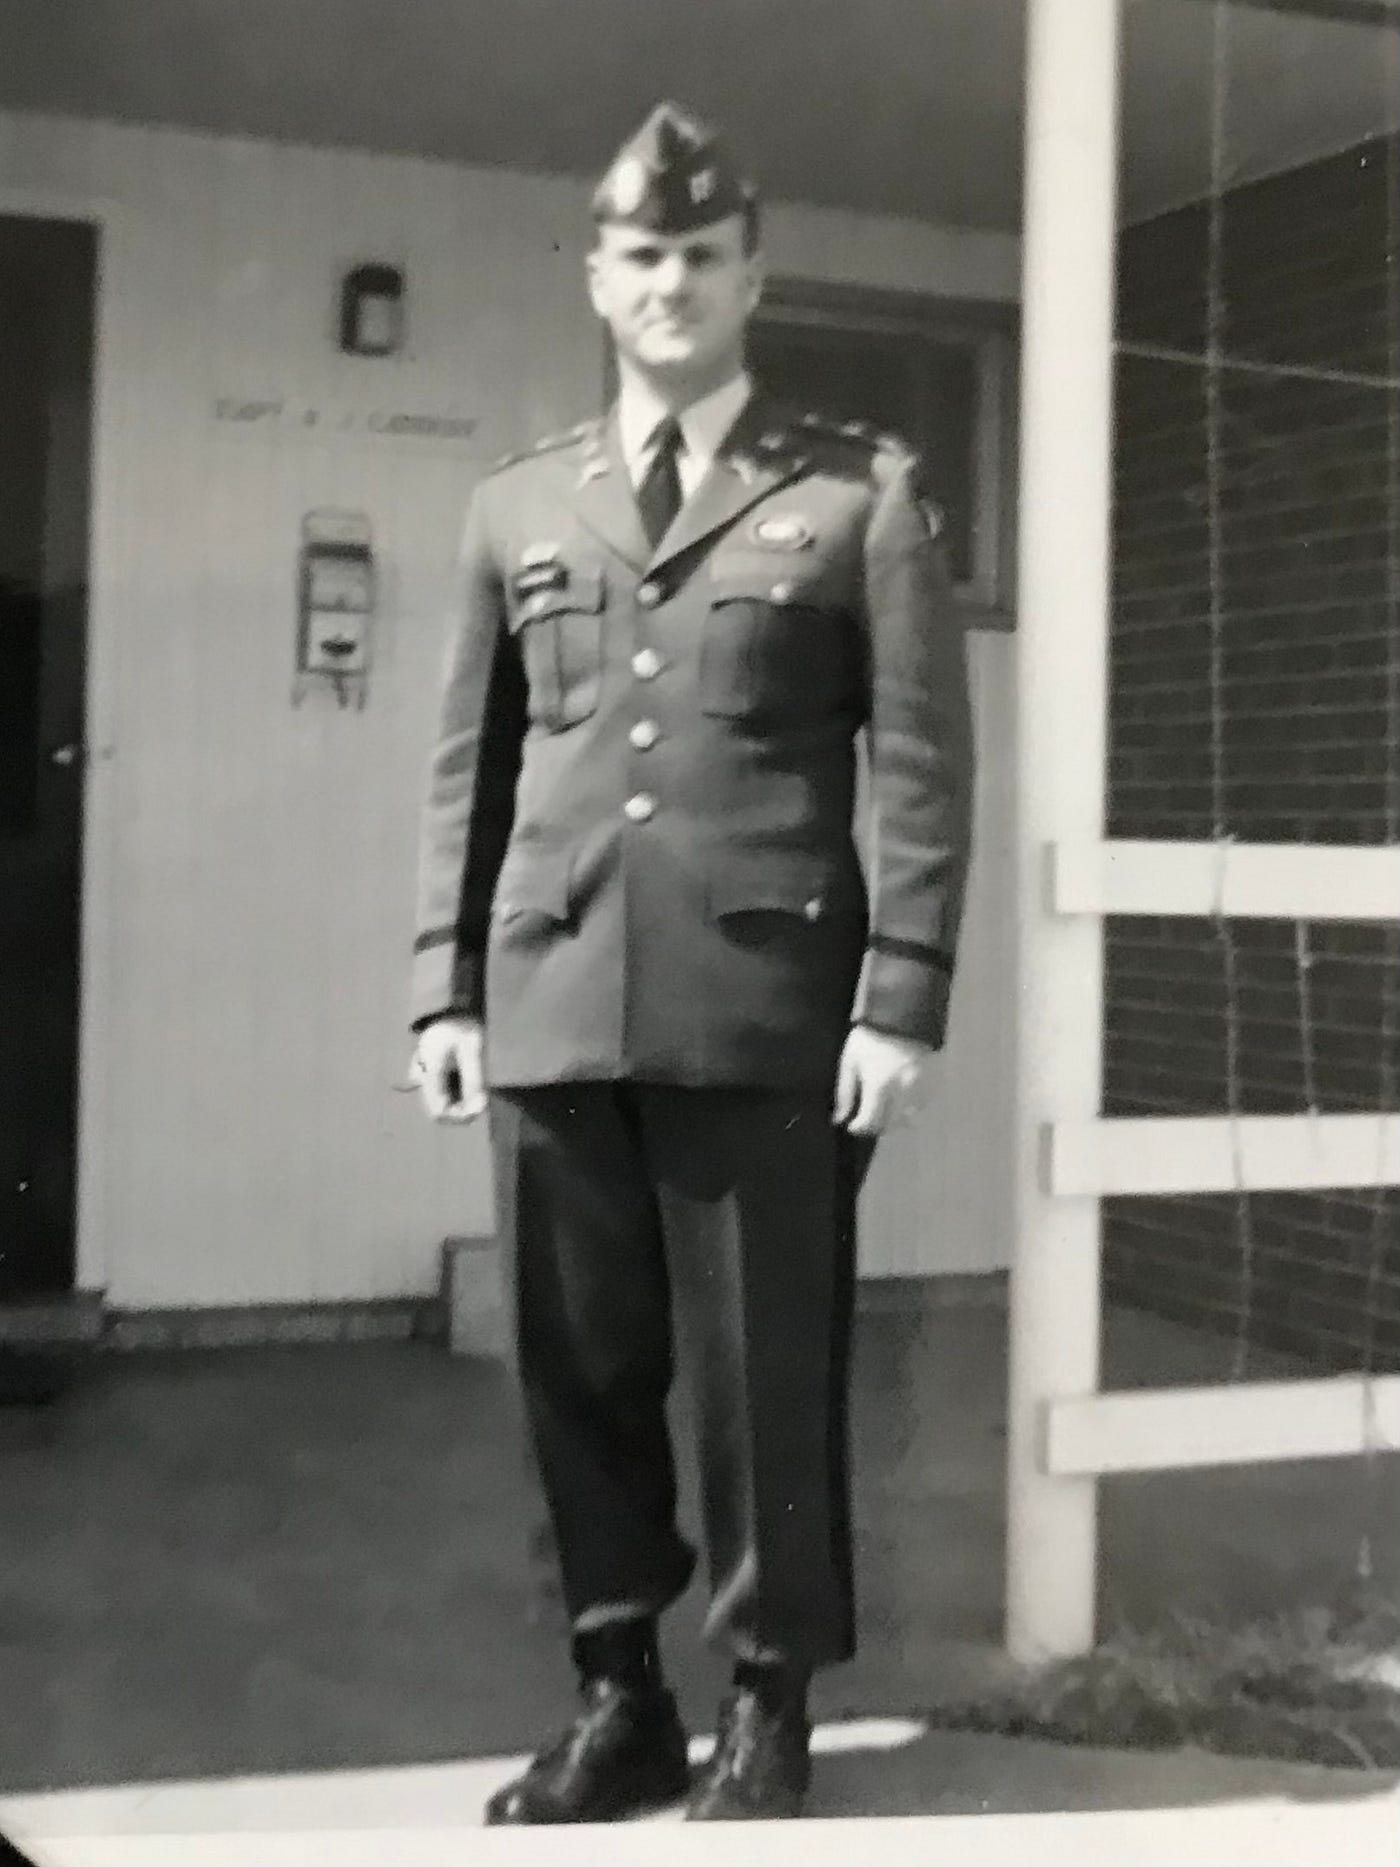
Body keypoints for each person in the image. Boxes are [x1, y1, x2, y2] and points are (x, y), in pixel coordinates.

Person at [409, 100, 974, 1823]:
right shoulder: (517, 504)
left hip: (764, 1011)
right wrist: (446, 985)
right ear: (599, 276)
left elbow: (925, 766)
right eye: (641, 257)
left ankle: (767, 1702)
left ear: (751, 277)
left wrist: (901, 998)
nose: (670, 284)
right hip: (554, 996)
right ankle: (617, 1700)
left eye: (701, 257)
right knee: (577, 1374)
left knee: (760, 1381)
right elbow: (472, 765)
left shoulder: (859, 497)